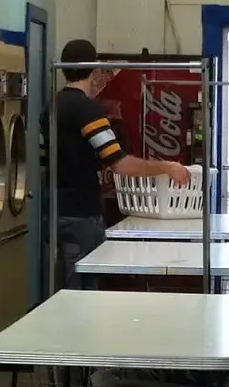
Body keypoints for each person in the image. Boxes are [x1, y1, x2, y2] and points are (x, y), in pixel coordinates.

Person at [52, 38, 192, 289]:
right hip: (82, 213)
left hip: (53, 211)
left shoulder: (50, 106)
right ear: (94, 71)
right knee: (84, 287)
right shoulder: (87, 110)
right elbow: (119, 163)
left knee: (65, 285)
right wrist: (167, 167)